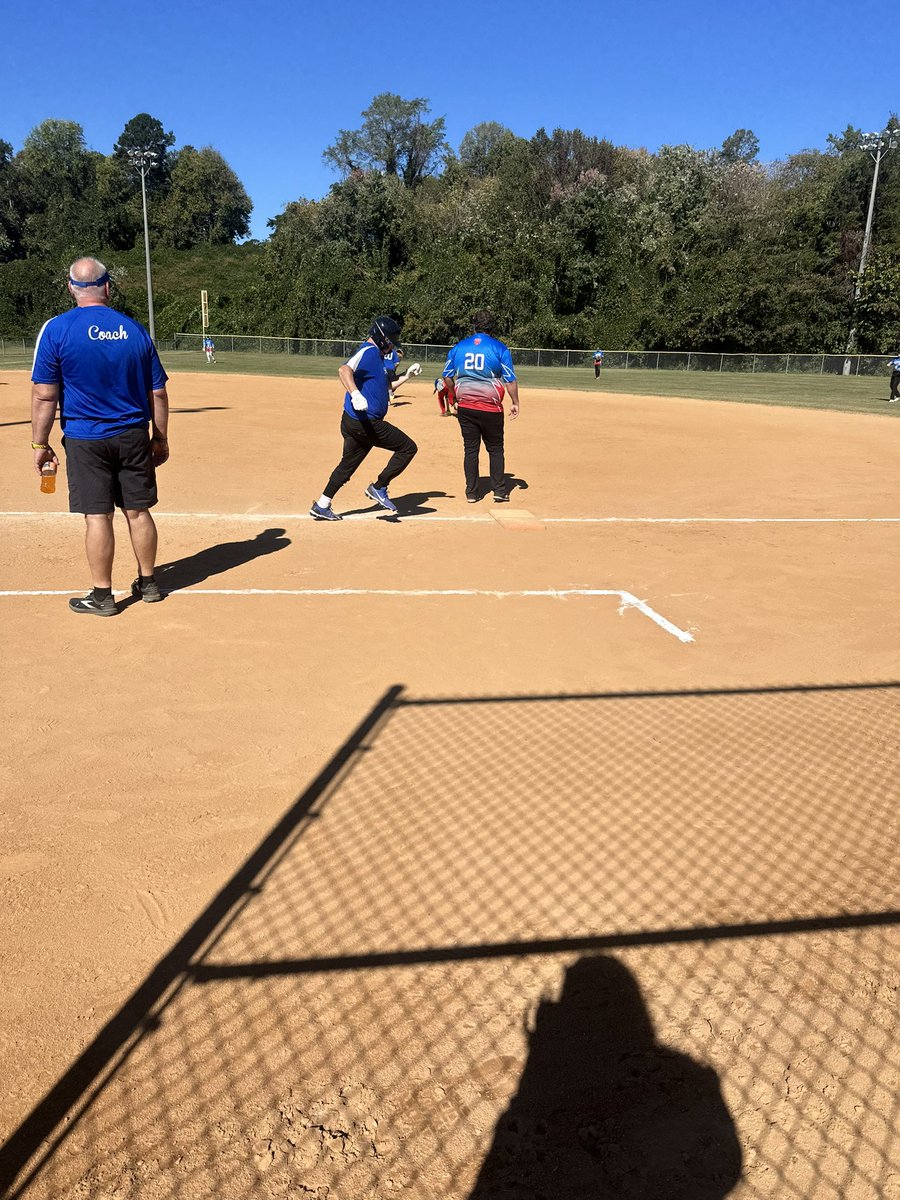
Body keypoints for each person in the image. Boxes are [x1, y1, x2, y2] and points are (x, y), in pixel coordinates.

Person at [30, 257, 170, 617]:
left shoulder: (57, 329)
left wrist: (40, 443)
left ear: (70, 287)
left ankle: (103, 596)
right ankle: (150, 583)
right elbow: (157, 392)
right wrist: (160, 437)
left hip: (84, 438)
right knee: (138, 512)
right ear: (108, 287)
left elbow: (45, 395)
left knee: (97, 516)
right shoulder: (135, 329)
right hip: (133, 434)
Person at [309, 316, 418, 520]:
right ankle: (379, 486)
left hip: (356, 423)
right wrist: (355, 394)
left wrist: (407, 376)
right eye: (391, 341)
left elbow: (387, 386)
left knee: (347, 465)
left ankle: (322, 504)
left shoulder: (376, 356)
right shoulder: (368, 352)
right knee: (408, 447)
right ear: (382, 338)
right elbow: (344, 370)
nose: (392, 346)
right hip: (365, 422)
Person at [441, 310, 519, 503]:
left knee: (470, 450)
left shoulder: (458, 347)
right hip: (491, 408)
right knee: (495, 449)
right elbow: (509, 380)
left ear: (473, 326)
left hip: (466, 407)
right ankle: (500, 490)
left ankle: (472, 493)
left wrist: (454, 395)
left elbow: (447, 377)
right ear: (491, 327)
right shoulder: (500, 348)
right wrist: (515, 402)